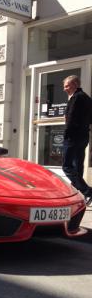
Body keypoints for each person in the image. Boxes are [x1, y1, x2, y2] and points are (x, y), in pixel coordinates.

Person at [62, 75, 92, 205]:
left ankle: (88, 191)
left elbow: (71, 118)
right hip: (83, 137)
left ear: (74, 84)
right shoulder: (87, 98)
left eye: (67, 86)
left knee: (67, 166)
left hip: (73, 137)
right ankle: (77, 196)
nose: (64, 89)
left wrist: (66, 134)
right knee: (78, 167)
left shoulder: (76, 98)